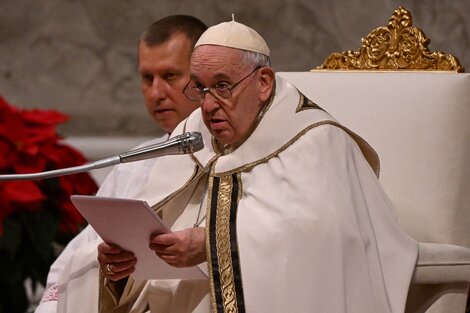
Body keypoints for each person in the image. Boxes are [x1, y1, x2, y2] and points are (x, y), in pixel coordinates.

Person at [96, 19, 418, 313]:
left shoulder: (316, 140)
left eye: (222, 86)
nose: (207, 105)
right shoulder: (193, 134)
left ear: (263, 82)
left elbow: (326, 240)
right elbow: (158, 227)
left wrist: (209, 245)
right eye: (199, 87)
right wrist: (126, 264)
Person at [34, 15, 207, 313]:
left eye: (170, 76)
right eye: (146, 78)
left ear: (202, 79)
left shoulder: (235, 158)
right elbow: (76, 260)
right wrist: (110, 270)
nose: (155, 93)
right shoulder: (134, 165)